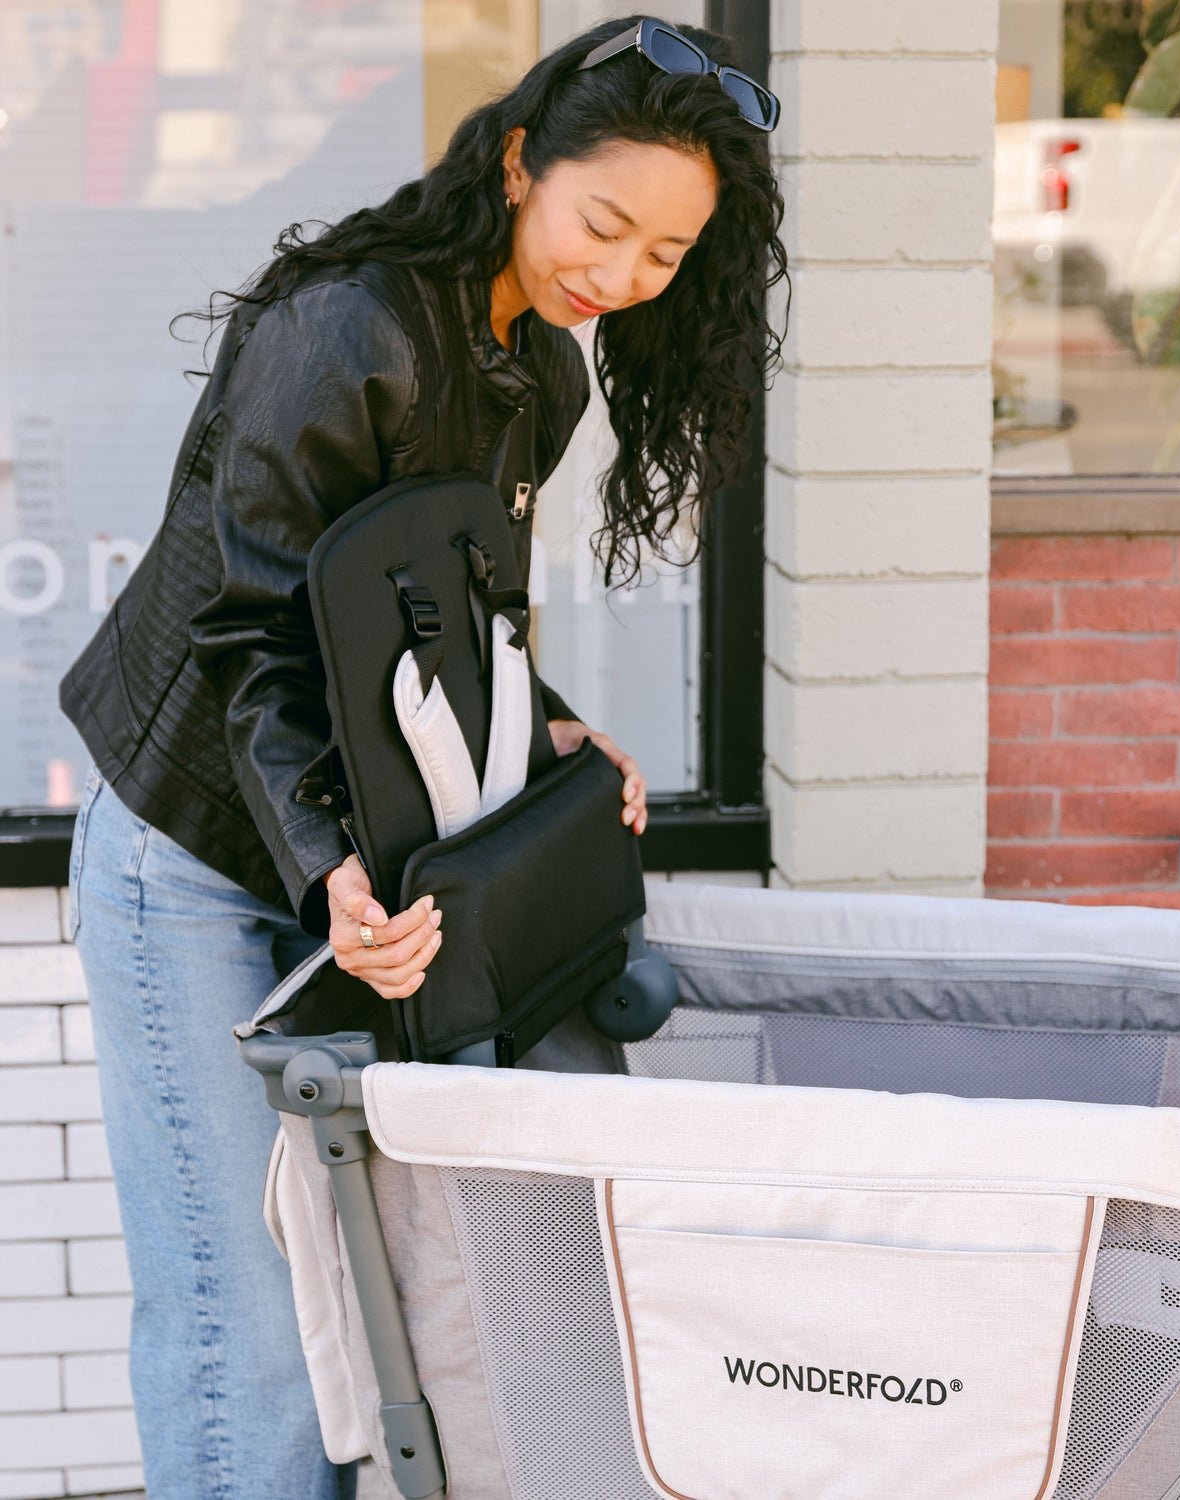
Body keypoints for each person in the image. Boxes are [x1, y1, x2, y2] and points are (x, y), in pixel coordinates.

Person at [59, 15, 786, 1497]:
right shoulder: (351, 331)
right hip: (196, 853)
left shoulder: (545, 374)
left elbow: (443, 611)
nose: (622, 275)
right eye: (605, 223)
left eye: (665, 256)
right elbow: (250, 627)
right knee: (239, 1313)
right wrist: (327, 866)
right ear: (521, 161)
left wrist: (555, 716)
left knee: (361, 1300)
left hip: (356, 866)